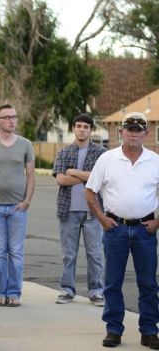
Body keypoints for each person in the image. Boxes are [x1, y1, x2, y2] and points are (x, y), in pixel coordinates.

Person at [85, 112, 159, 349]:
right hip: (115, 229)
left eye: (139, 130)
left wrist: (158, 222)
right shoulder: (107, 159)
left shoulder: (155, 160)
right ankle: (113, 329)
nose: (134, 134)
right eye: (130, 130)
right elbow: (90, 191)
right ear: (121, 133)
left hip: (145, 230)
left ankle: (149, 331)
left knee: (148, 283)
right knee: (112, 282)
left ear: (146, 134)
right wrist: (101, 218)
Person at [0, 103, 35, 307]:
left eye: (14, 116)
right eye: (7, 117)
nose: (12, 120)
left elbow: (30, 175)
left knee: (16, 253)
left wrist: (26, 201)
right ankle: (0, 292)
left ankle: (14, 293)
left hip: (18, 208)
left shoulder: (25, 144)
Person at [52, 113, 106, 306]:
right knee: (69, 254)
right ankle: (67, 290)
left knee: (95, 254)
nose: (81, 129)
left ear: (91, 130)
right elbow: (60, 179)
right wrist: (87, 176)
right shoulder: (64, 152)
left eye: (85, 126)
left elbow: (100, 180)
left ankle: (96, 291)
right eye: (78, 126)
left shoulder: (101, 153)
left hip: (94, 212)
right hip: (68, 211)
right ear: (73, 128)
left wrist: (73, 172)